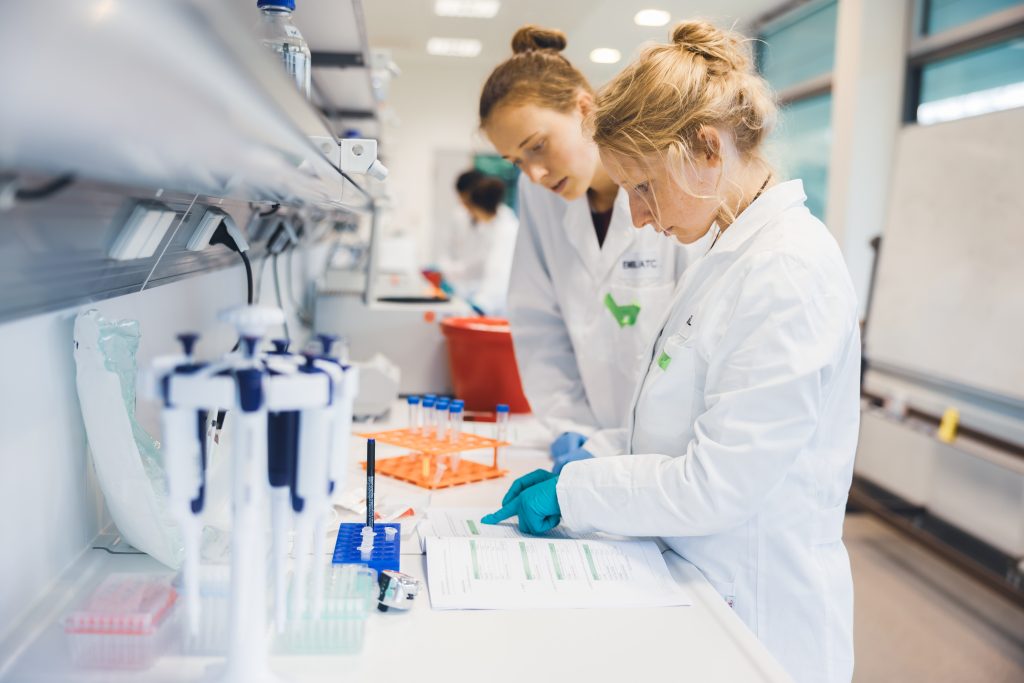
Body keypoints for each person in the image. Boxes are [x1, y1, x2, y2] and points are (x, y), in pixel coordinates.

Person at [483, 20, 860, 683]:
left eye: (646, 187)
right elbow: (673, 420)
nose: (639, 217)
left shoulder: (788, 273)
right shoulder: (727, 252)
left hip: (761, 616)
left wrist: (578, 489)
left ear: (707, 149)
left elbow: (717, 485)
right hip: (700, 583)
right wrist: (596, 452)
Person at [479, 25, 701, 467]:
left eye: (537, 146)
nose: (535, 174)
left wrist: (625, 450)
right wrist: (571, 428)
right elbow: (538, 322)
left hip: (672, 454)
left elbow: (697, 339)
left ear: (584, 108)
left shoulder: (671, 188)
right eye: (517, 162)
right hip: (584, 439)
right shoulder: (538, 196)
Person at [453, 174, 518, 315]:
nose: (468, 211)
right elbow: (478, 263)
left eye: (469, 206)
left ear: (479, 206)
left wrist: (480, 305)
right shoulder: (487, 227)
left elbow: (499, 274)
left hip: (498, 306)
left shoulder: (507, 229)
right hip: (484, 298)